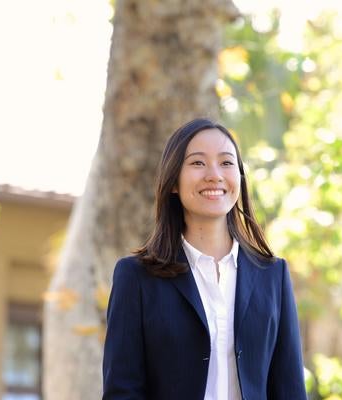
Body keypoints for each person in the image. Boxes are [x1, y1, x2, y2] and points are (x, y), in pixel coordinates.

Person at [102, 118, 307, 400]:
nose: (214, 175)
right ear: (173, 182)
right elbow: (122, 392)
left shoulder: (272, 275)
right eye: (198, 163)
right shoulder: (136, 278)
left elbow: (290, 390)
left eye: (226, 163)